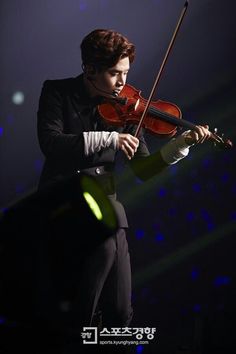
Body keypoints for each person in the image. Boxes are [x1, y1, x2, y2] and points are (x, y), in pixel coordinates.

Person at [37, 28, 211, 352]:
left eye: (126, 73)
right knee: (108, 232)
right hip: (63, 200)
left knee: (119, 311)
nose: (121, 83)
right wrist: (109, 139)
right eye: (114, 73)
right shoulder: (57, 93)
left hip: (105, 206)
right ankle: (76, 334)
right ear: (89, 69)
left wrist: (180, 144)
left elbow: (144, 169)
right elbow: (51, 144)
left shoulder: (127, 110)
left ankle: (105, 333)